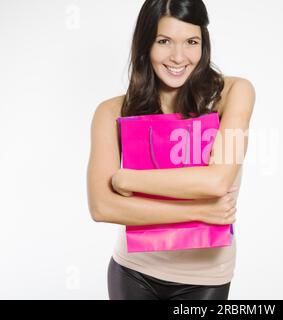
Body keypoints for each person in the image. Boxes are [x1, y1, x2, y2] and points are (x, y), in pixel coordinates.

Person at [86, 0, 255, 300]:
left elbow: (216, 182)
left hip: (205, 278)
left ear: (204, 44)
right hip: (133, 271)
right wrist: (201, 210)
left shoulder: (233, 94)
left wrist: (127, 180)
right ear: (145, 44)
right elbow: (102, 207)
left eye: (191, 42)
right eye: (164, 41)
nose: (179, 57)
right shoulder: (110, 112)